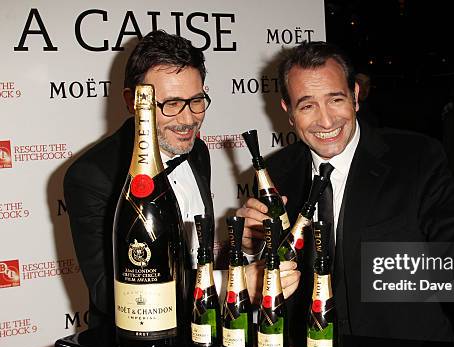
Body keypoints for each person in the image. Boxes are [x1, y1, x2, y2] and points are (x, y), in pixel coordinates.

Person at [238, 41, 454, 347]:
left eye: (335, 100)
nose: (326, 121)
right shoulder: (275, 172)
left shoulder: (415, 158)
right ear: (288, 112)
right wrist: (250, 247)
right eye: (307, 106)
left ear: (356, 96)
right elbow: (279, 266)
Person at [64, 30, 298, 329]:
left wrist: (245, 246)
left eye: (197, 100)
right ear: (133, 101)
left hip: (202, 335)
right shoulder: (92, 176)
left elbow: (190, 262)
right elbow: (108, 295)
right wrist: (232, 282)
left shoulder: (197, 151)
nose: (188, 119)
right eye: (171, 104)